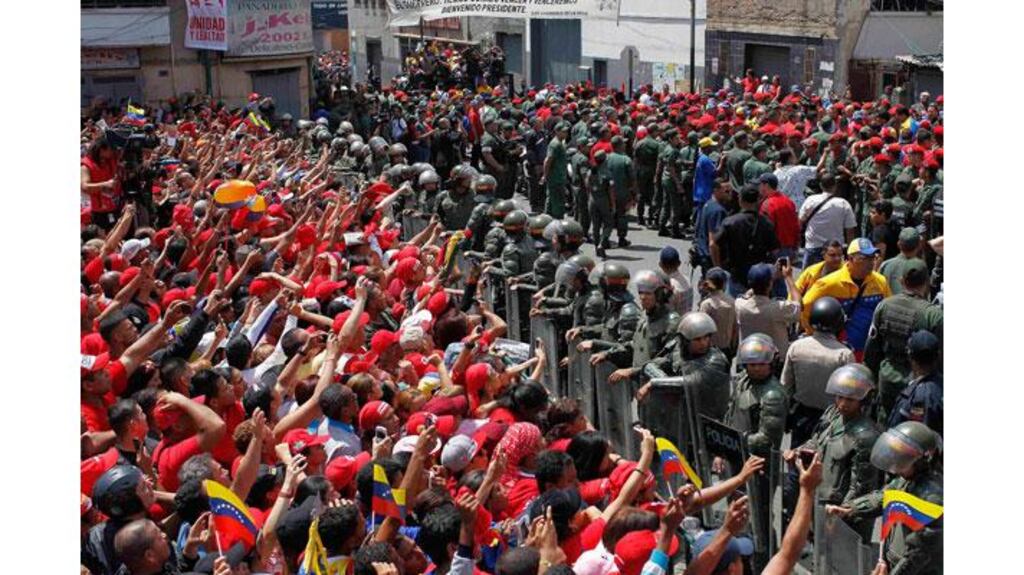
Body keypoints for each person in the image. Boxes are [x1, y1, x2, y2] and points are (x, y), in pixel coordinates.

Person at [784, 364, 880, 540]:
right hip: (820, 501)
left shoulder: (865, 436)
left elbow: (860, 487)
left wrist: (840, 516)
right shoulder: (832, 415)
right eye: (839, 397)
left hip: (844, 518)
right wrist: (798, 451)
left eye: (850, 399)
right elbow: (817, 440)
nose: (842, 404)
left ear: (864, 400)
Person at [834, 422, 943, 574]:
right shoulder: (907, 478)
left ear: (922, 461)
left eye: (904, 458)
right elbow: (884, 497)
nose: (897, 461)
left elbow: (918, 554)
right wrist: (850, 508)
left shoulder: (932, 499)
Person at [863, 260, 943, 424]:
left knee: (885, 426)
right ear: (927, 282)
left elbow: (872, 349)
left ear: (902, 281)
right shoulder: (933, 315)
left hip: (887, 379)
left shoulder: (884, 305)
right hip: (921, 386)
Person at [781, 296, 855, 447]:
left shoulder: (796, 346)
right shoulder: (844, 354)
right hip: (831, 421)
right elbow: (849, 395)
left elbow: (786, 385)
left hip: (801, 416)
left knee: (797, 459)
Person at [801, 238, 892, 359]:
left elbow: (888, 310)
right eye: (864, 258)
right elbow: (805, 307)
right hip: (837, 353)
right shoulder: (828, 283)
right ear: (850, 259)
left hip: (869, 351)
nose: (870, 262)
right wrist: (815, 334)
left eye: (872, 257)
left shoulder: (880, 281)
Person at [711, 184, 779, 297]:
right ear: (758, 200)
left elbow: (714, 244)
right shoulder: (766, 223)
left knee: (736, 308)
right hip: (759, 278)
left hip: (737, 275)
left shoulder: (730, 222)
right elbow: (775, 251)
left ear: (740, 200)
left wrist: (718, 267)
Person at [735, 262, 801, 358]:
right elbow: (798, 304)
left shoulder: (740, 304)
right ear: (770, 284)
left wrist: (764, 281)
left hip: (748, 358)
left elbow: (748, 295)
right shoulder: (778, 308)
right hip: (773, 361)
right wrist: (789, 277)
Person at [887, 330, 943, 435]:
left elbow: (919, 437)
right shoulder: (940, 383)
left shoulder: (921, 396)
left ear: (910, 357)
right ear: (937, 356)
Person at [798, 173, 857, 268]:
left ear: (821, 185)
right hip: (835, 251)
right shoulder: (843, 204)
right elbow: (850, 231)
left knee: (808, 280)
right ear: (835, 186)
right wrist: (850, 252)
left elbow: (799, 223)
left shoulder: (810, 200)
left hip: (813, 247)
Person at [693, 178, 731, 276]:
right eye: (726, 191)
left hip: (703, 255)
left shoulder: (708, 204)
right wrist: (717, 269)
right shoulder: (718, 211)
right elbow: (713, 243)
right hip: (711, 259)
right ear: (716, 190)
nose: (730, 193)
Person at [698, 268, 737, 355]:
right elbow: (735, 328)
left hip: (710, 350)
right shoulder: (732, 302)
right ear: (724, 284)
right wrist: (733, 345)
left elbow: (701, 329)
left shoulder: (706, 304)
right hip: (726, 348)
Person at [879, 227, 925, 296]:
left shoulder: (885, 265)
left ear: (898, 244)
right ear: (919, 246)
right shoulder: (921, 267)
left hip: (889, 306)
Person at [657, 246, 693, 316]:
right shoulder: (688, 281)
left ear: (660, 264)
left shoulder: (667, 286)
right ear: (679, 263)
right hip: (687, 322)